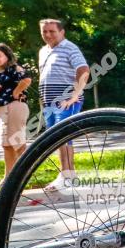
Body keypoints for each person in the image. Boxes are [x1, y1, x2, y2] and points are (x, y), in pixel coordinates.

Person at [38, 19, 89, 191]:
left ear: (62, 32)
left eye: (52, 31)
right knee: (57, 139)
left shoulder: (70, 48)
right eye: (44, 31)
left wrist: (75, 96)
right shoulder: (43, 51)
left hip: (66, 101)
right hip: (49, 103)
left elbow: (84, 70)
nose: (48, 34)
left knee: (63, 137)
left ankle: (66, 175)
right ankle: (68, 176)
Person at [0, 43, 31, 180]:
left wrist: (16, 92)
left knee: (17, 144)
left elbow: (26, 79)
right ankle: (9, 179)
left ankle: (24, 177)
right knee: (6, 145)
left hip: (13, 107)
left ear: (7, 56)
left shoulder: (14, 68)